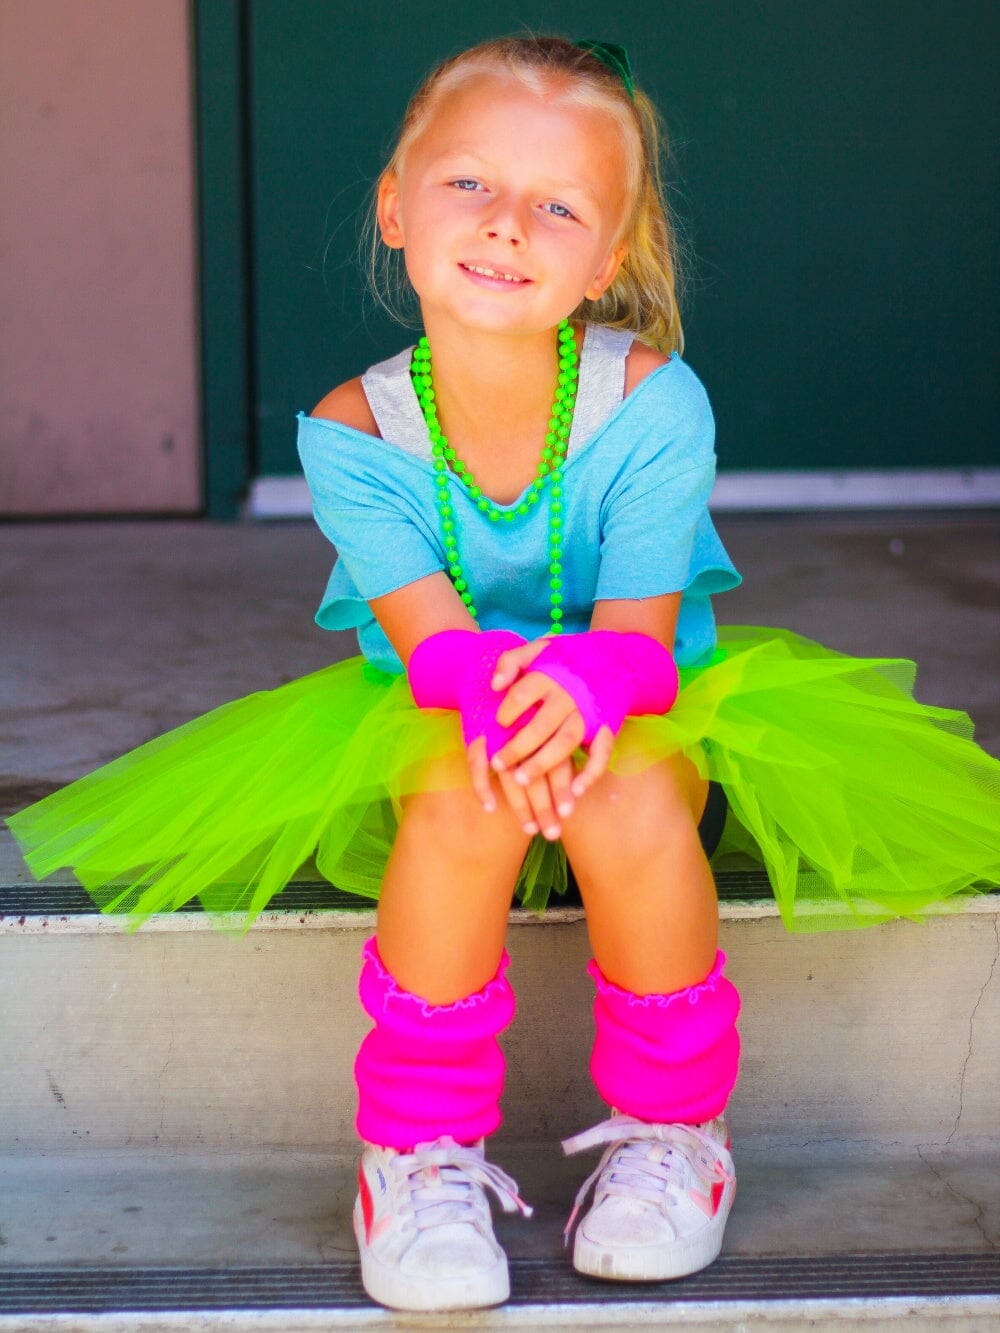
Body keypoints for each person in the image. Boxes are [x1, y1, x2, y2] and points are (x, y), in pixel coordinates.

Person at [8, 33, 999, 1317]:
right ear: (393, 205)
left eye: (559, 205)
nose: (506, 226)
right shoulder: (354, 430)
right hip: (447, 704)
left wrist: (582, 696)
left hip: (634, 696)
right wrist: (506, 710)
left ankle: (671, 1133)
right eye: (469, 184)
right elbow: (438, 649)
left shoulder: (653, 403)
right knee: (467, 791)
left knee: (631, 799)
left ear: (612, 255)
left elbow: (636, 642)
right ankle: (414, 1153)